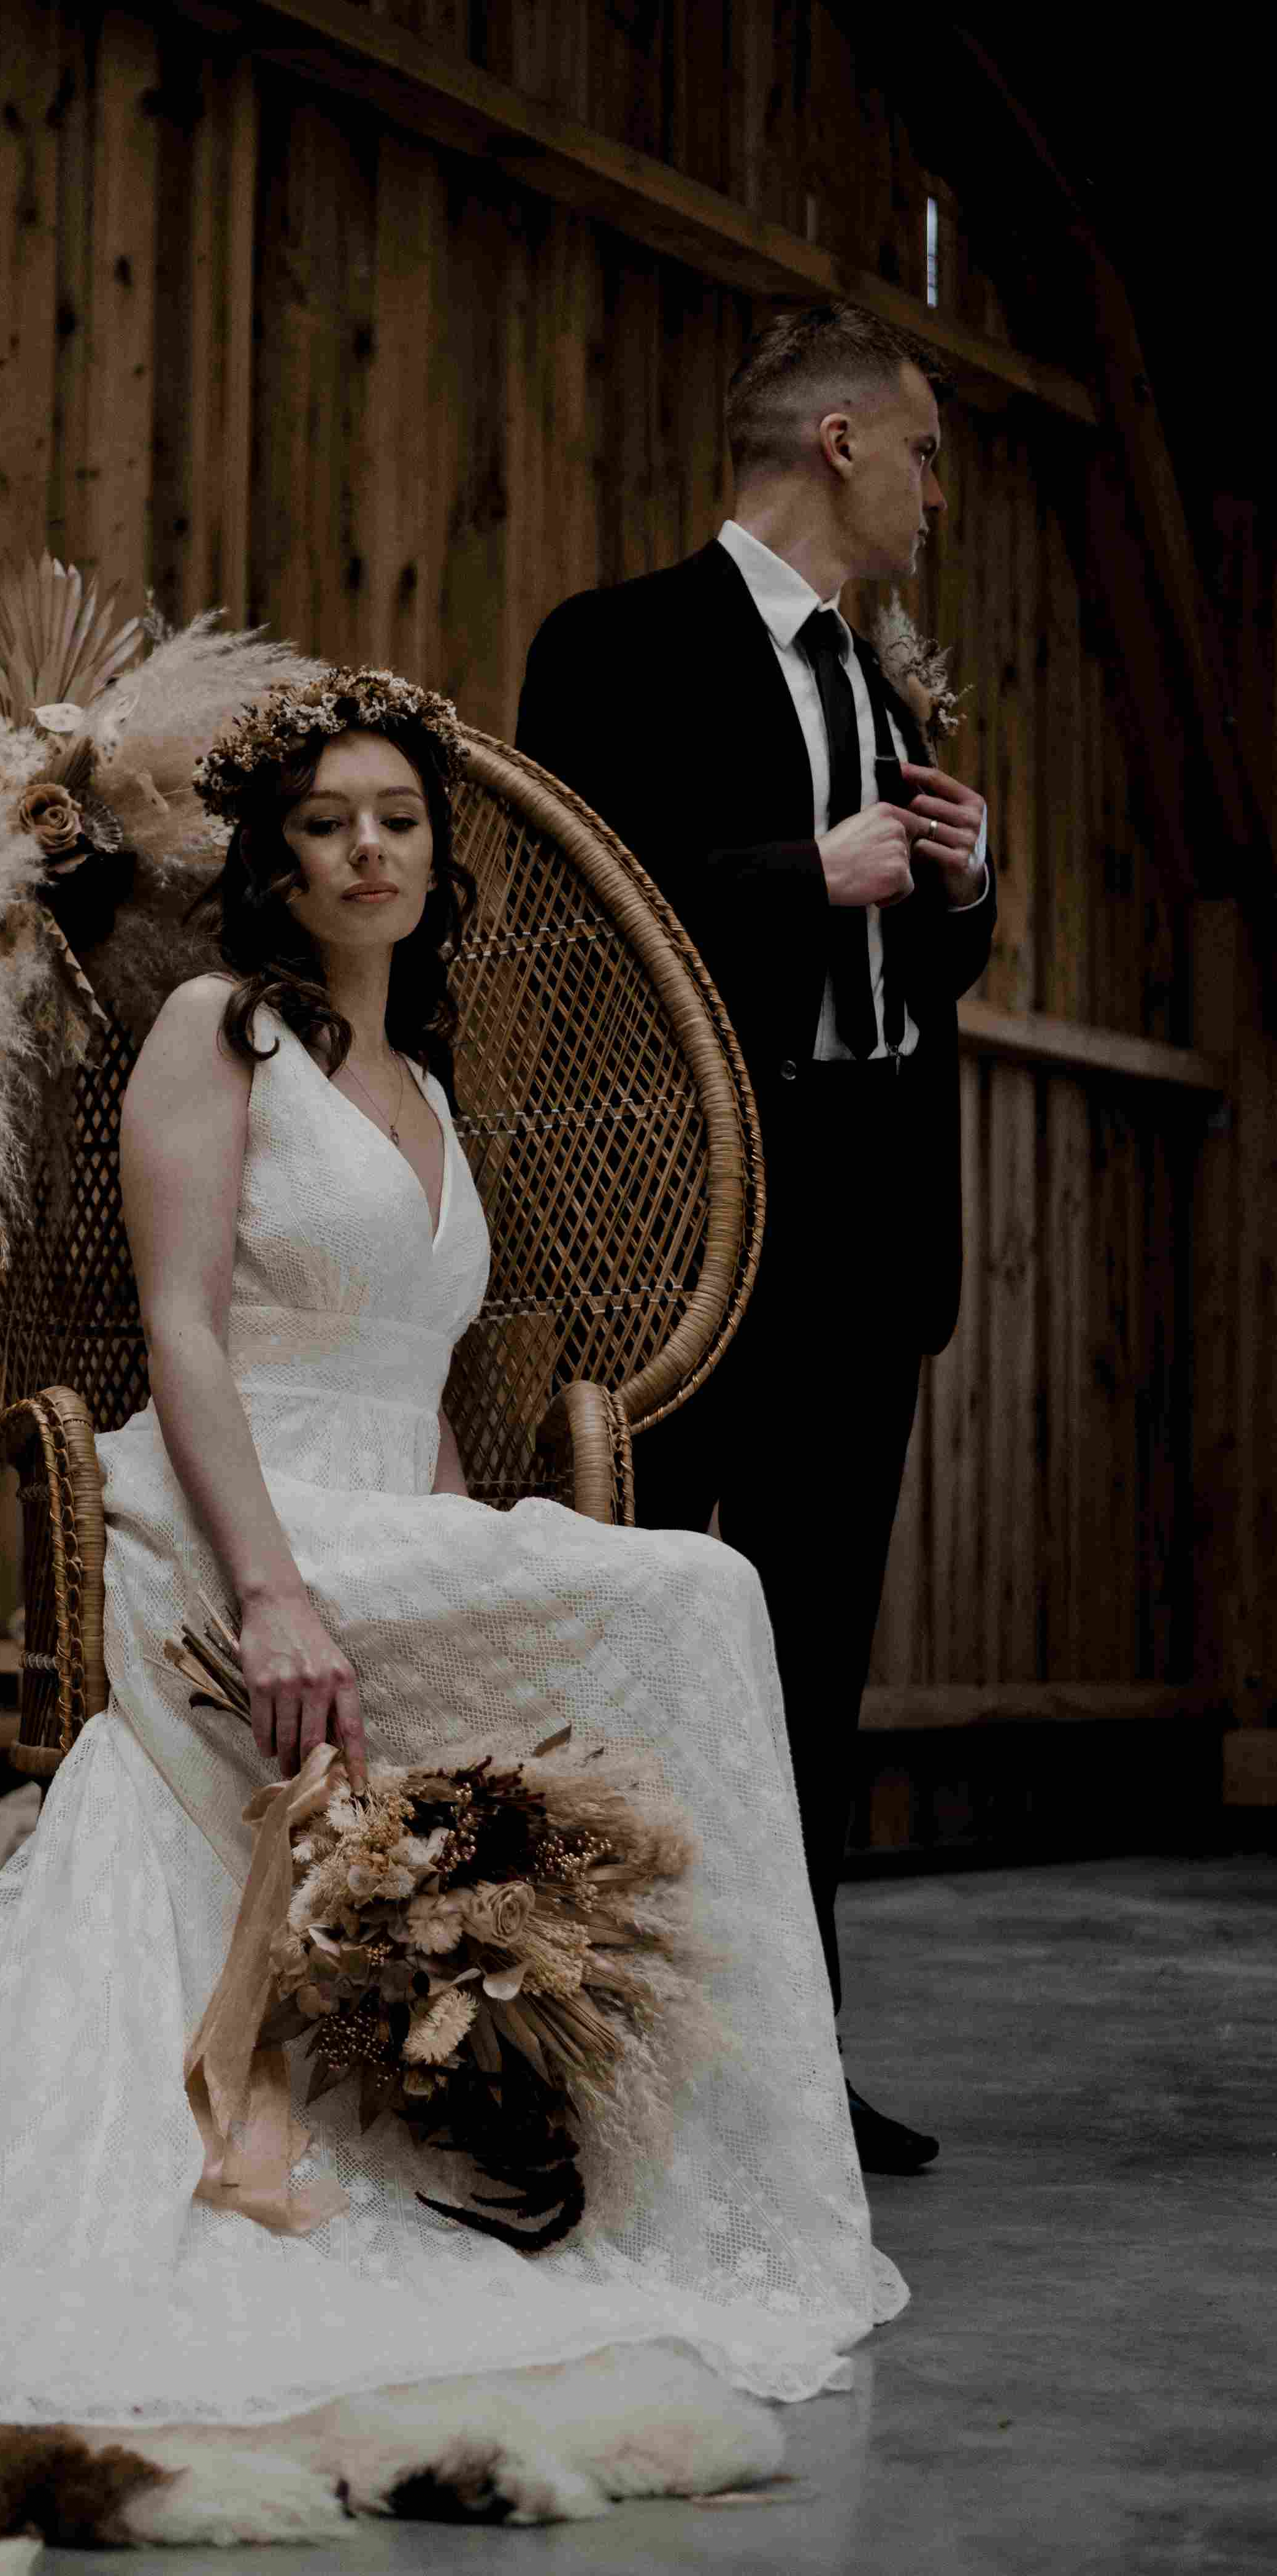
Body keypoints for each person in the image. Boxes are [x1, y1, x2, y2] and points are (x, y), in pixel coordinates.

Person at [0, 671, 902, 2524]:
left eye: (401, 822)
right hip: (229, 1497)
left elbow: (423, 1384)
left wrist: (479, 1576)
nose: (367, 848)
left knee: (678, 1596)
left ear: (435, 861)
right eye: (331, 820)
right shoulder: (216, 1031)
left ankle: (668, 2172)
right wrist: (274, 1590)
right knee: (711, 1592)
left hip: (385, 1503)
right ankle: (712, 2178)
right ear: (279, 857)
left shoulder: (424, 1083)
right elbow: (181, 1328)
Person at [515, 304, 997, 2175]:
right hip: (687, 1233)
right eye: (933, 451)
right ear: (844, 444)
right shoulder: (615, 644)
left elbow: (914, 963)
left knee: (815, 1676)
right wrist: (816, 871)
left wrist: (959, 883)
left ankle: (790, 2079)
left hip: (870, 1231)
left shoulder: (881, 689)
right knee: (629, 1643)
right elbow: (578, 910)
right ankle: (579, 2059)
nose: (944, 492)